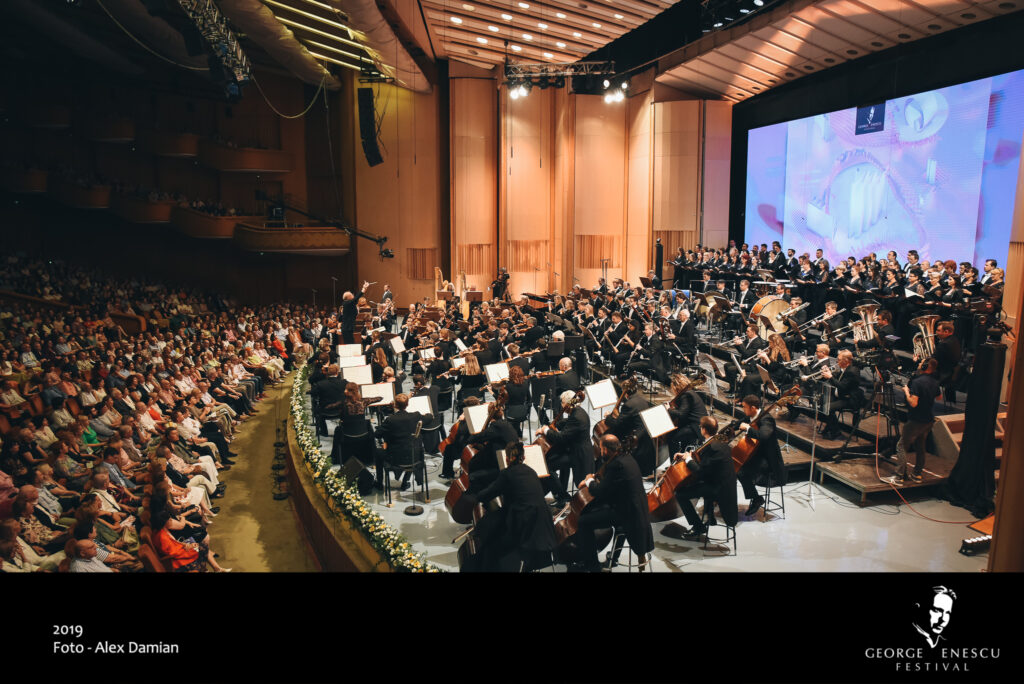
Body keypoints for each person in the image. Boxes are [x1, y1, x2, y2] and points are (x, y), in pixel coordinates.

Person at [469, 441, 559, 572]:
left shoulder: (507, 473)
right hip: (544, 526)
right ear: (524, 457)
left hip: (525, 527)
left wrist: (475, 495)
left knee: (491, 542)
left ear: (506, 458)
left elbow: (488, 494)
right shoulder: (532, 471)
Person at [572, 434, 654, 572]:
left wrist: (589, 481)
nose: (600, 451)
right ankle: (613, 558)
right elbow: (612, 484)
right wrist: (595, 478)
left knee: (584, 521)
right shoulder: (627, 457)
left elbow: (599, 492)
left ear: (605, 449)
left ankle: (592, 566)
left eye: (601, 448)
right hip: (637, 509)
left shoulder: (616, 465)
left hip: (626, 513)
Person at [667, 416, 737, 538]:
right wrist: (685, 455)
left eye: (700, 427)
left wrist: (688, 460)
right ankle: (709, 517)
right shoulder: (718, 441)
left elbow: (700, 472)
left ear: (704, 430)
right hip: (720, 482)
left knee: (680, 494)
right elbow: (704, 460)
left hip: (718, 488)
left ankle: (698, 527)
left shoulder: (712, 447)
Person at [888, 358, 940, 485]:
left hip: (916, 420)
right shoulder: (934, 382)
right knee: (920, 447)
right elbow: (939, 397)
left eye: (921, 363)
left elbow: (913, 403)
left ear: (925, 367)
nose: (919, 364)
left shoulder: (917, 382)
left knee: (901, 446)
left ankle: (899, 476)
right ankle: (917, 474)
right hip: (928, 420)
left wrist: (906, 392)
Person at [535, 390, 594, 503]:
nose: (561, 405)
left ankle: (562, 496)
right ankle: (561, 491)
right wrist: (553, 425)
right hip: (574, 449)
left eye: (562, 402)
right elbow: (567, 422)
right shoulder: (578, 411)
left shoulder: (577, 417)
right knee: (556, 461)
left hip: (578, 454)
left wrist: (546, 430)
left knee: (548, 466)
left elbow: (561, 438)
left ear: (568, 403)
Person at [736, 394, 786, 517]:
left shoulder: (766, 419)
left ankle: (756, 499)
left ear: (753, 408)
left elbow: (763, 436)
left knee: (741, 472)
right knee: (737, 468)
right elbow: (738, 422)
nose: (743, 410)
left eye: (745, 407)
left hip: (768, 459)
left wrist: (748, 429)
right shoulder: (753, 416)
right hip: (757, 454)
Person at [373, 393, 425, 491]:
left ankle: (379, 483)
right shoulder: (416, 416)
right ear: (407, 404)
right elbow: (429, 418)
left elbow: (377, 434)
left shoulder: (390, 420)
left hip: (395, 459)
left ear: (395, 405)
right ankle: (405, 482)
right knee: (410, 446)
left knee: (378, 453)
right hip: (416, 456)